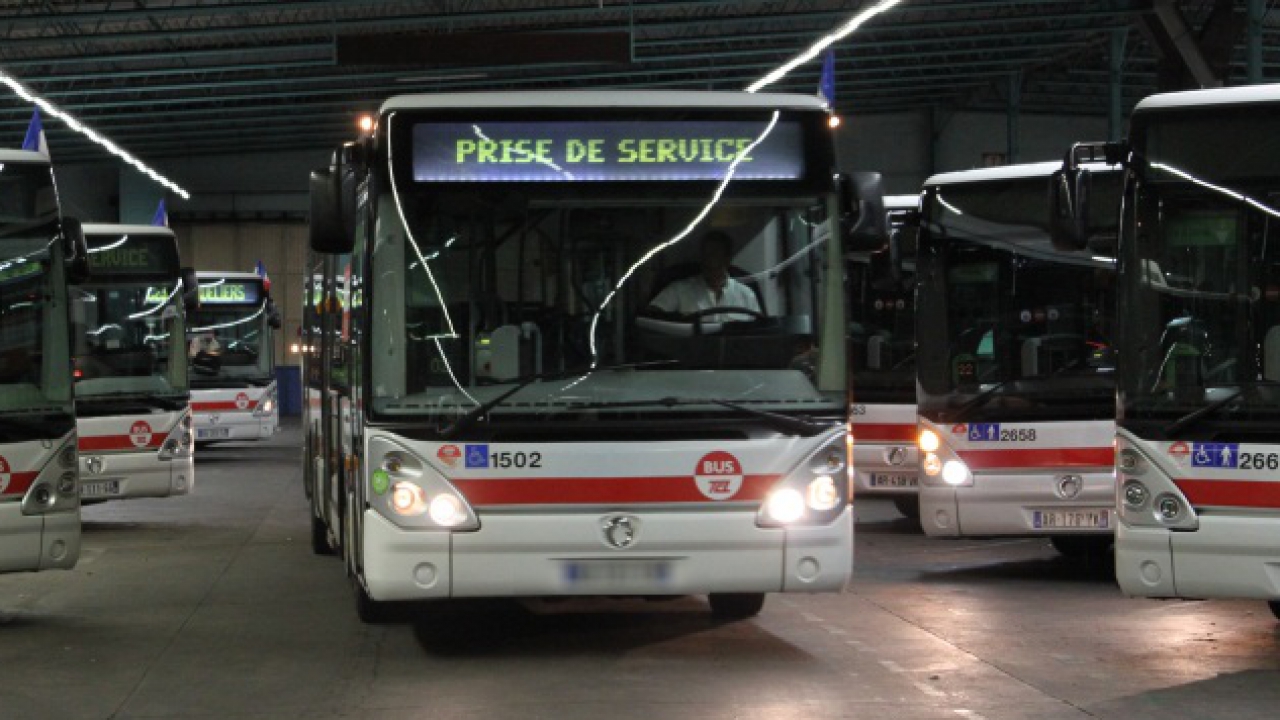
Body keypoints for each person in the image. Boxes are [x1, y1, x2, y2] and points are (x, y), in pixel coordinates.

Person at [647, 231, 761, 323]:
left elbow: (759, 332)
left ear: (727, 259)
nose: (710, 261)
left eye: (715, 254)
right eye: (706, 254)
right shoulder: (679, 290)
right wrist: (678, 321)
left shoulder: (746, 294)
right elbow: (651, 316)